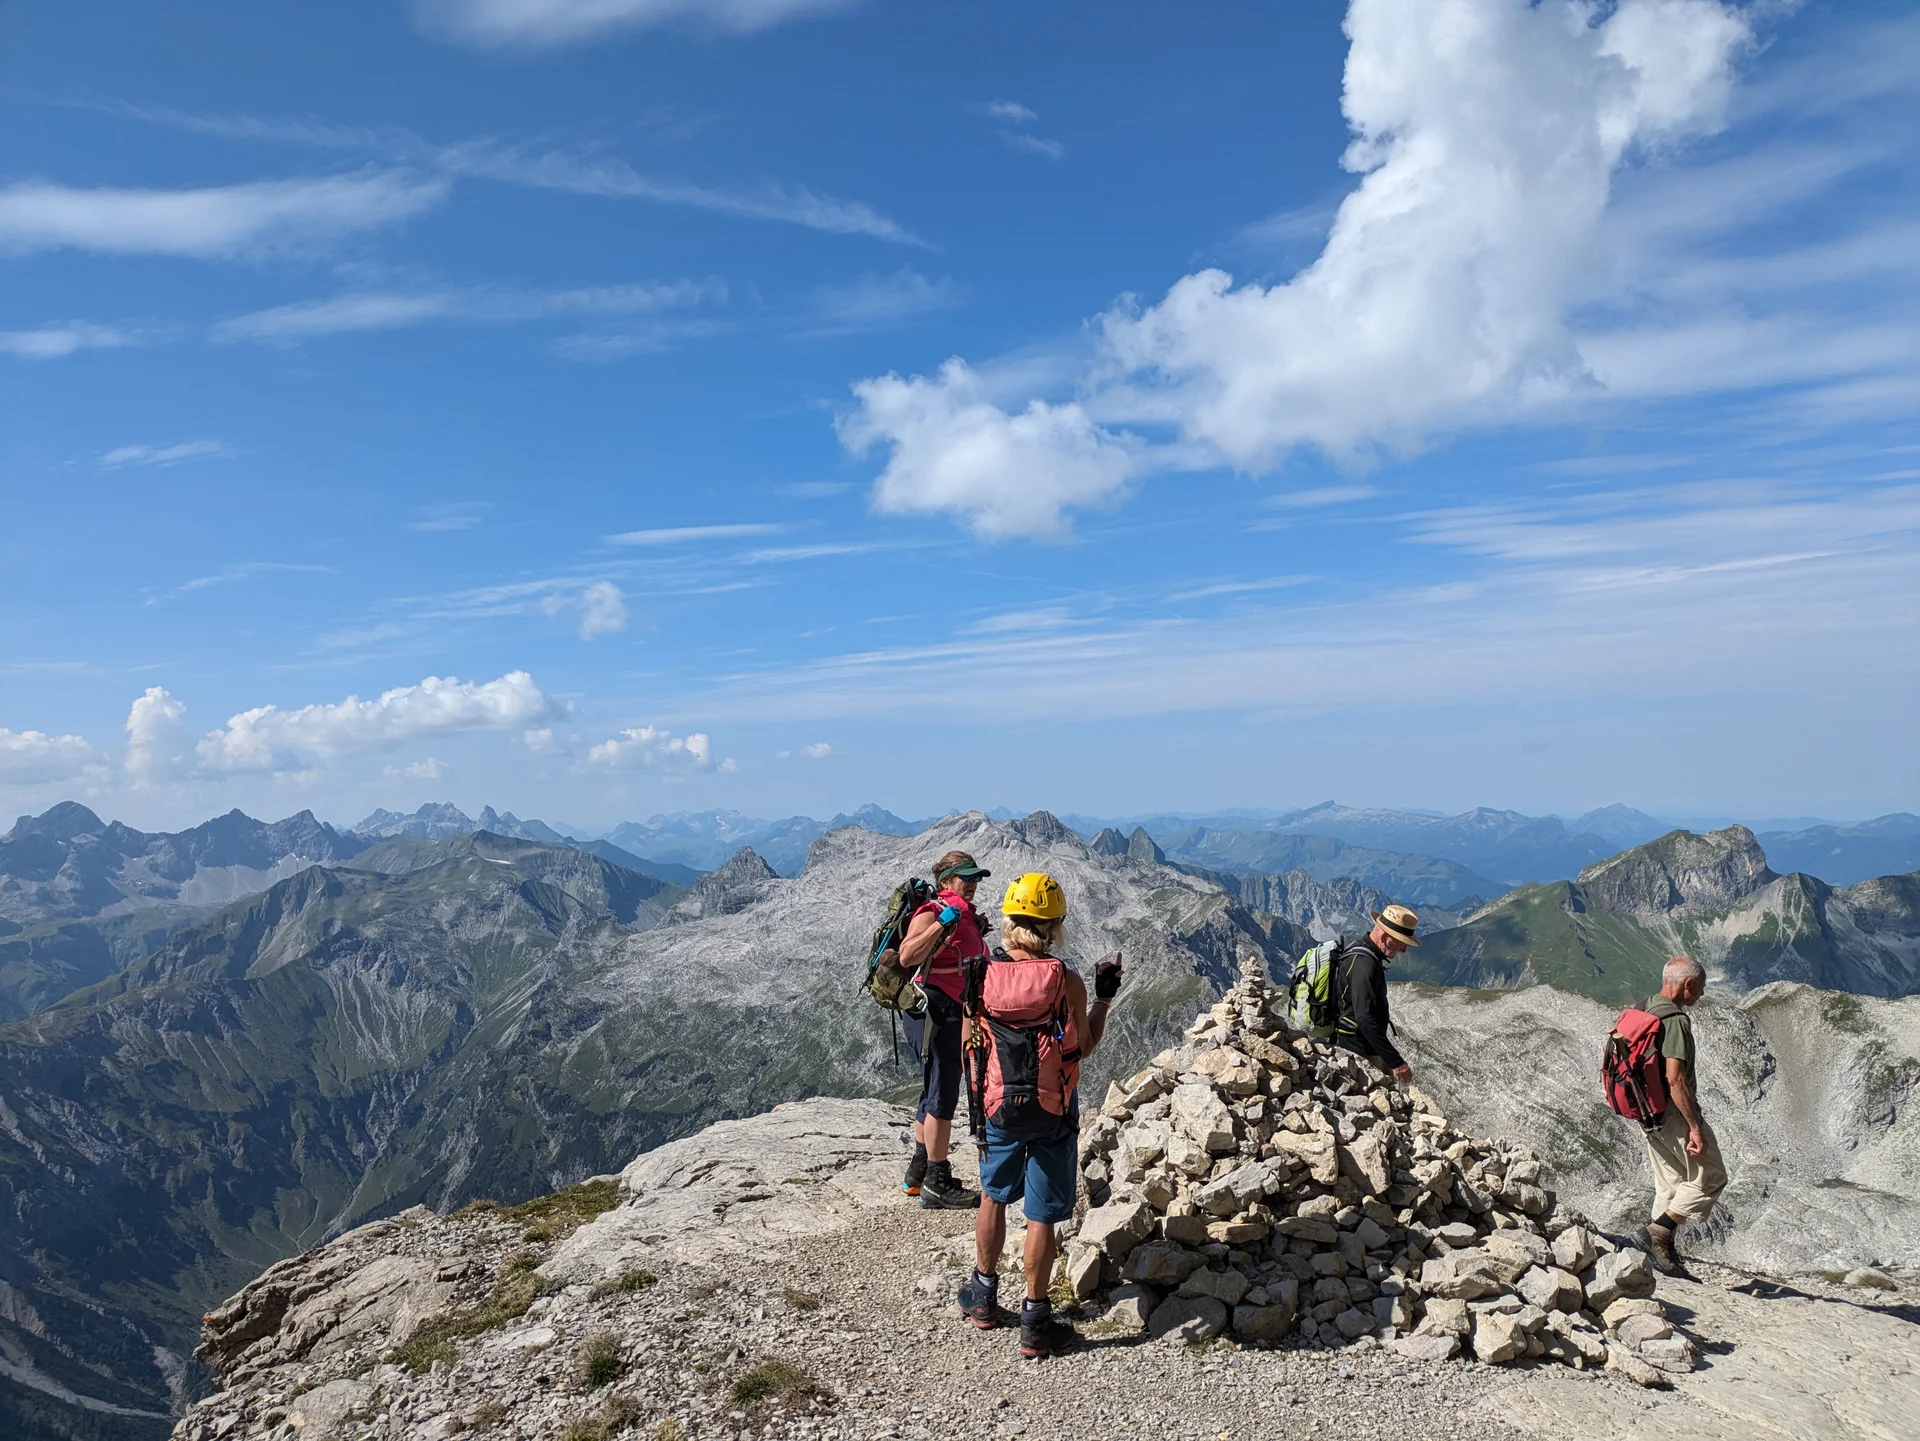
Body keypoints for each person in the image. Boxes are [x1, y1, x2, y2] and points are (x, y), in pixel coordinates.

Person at [956, 871, 1122, 1360]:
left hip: (998, 1108)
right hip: (1054, 1109)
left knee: (993, 1194)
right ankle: (1035, 1321)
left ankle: (983, 1298)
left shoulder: (980, 973)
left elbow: (972, 1041)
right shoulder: (1064, 979)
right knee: (1041, 1216)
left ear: (1008, 921)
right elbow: (1085, 1047)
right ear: (1053, 926)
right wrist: (1104, 998)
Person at [895, 850, 991, 1209]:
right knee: (943, 1092)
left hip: (947, 1009)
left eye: (976, 878)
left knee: (933, 1088)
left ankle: (918, 1174)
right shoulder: (933, 911)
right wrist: (942, 922)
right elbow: (907, 956)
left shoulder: (964, 915)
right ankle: (938, 1180)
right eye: (966, 878)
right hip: (934, 1010)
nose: (972, 884)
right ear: (947, 880)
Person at [1639, 955, 1727, 1277]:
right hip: (1673, 1115)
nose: (1701, 995)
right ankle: (1656, 1233)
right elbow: (1675, 1078)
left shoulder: (1643, 1007)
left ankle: (1661, 1256)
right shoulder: (1674, 1020)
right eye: (1700, 989)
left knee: (1670, 1185)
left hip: (1648, 1115)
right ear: (1687, 984)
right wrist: (1694, 1127)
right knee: (1712, 1176)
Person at [1332, 904, 1419, 1085]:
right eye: (1402, 942)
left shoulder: (1366, 953)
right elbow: (1365, 1018)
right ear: (1386, 937)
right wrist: (1397, 1062)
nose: (1404, 949)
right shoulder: (1364, 965)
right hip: (1359, 1049)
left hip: (1365, 1045)